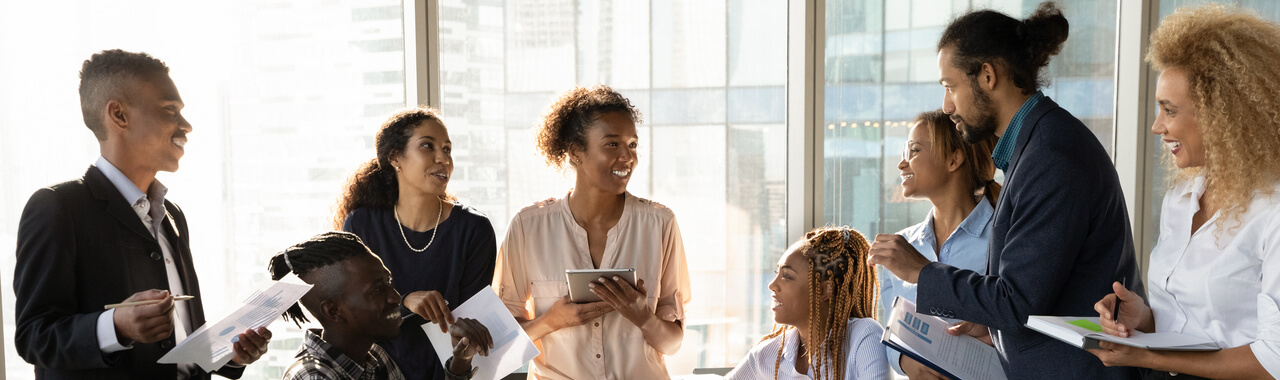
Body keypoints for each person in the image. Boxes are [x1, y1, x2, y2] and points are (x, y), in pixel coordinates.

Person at [866, 3, 1143, 378]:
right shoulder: (1035, 148)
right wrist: (988, 324)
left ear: (987, 76)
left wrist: (923, 272)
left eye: (951, 87)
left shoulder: (1051, 156)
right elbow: (1035, 297)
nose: (947, 105)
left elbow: (1017, 300)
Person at [12, 49, 270, 379]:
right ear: (119, 115)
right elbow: (33, 336)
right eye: (170, 110)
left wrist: (230, 353)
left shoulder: (173, 216)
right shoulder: (57, 208)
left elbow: (184, 344)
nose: (186, 126)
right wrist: (115, 327)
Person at [1087, 4, 1280, 379]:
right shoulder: (1182, 197)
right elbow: (1195, 324)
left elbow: (1274, 359)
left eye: (1169, 110)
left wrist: (1146, 358)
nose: (1158, 126)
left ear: (1221, 113)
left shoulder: (1273, 213)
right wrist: (1143, 319)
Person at [492, 84, 692, 379]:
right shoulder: (527, 227)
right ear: (576, 152)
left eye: (632, 144)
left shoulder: (660, 224)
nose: (628, 157)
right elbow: (502, 346)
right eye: (612, 144)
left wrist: (643, 317)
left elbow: (673, 344)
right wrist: (552, 321)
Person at [335, 107, 498, 380]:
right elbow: (352, 311)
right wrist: (404, 301)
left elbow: (471, 328)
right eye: (427, 146)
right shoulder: (361, 224)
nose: (442, 158)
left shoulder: (474, 229)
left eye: (447, 149)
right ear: (395, 157)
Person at [269, 231, 493, 380]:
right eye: (377, 290)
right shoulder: (313, 377)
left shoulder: (374, 357)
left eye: (388, 283)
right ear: (334, 311)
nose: (396, 298)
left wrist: (461, 361)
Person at [880, 110, 999, 379]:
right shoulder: (900, 247)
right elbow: (888, 330)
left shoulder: (1003, 240)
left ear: (954, 158)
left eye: (915, 150)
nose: (902, 164)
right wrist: (906, 363)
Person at [725, 227, 888, 380]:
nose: (772, 285)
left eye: (787, 276)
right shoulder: (766, 356)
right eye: (777, 273)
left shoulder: (864, 336)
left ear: (824, 290)